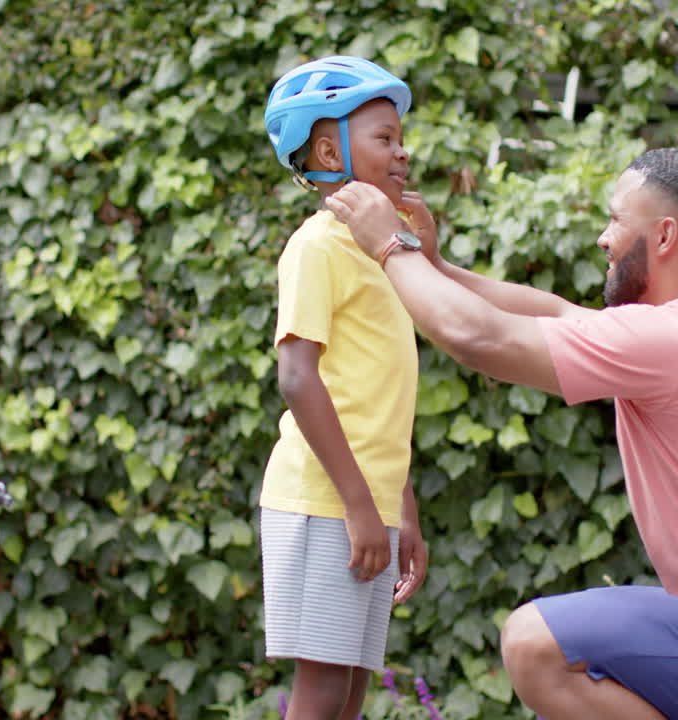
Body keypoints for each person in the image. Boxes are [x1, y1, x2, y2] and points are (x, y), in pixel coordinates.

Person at [324, 147, 678, 720]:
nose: (604, 239)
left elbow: (478, 337)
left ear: (663, 237)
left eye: (615, 220)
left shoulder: (676, 341)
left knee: (535, 643)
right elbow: (553, 313)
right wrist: (434, 267)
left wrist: (389, 245)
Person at [258, 56, 429, 720]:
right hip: (324, 501)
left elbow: (380, 402)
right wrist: (361, 507)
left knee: (350, 695)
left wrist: (399, 507)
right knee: (323, 692)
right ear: (330, 149)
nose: (402, 149)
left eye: (399, 137)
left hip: (366, 501)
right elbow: (297, 377)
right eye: (384, 137)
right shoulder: (318, 247)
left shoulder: (379, 252)